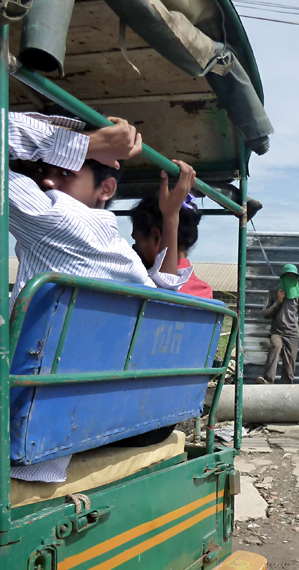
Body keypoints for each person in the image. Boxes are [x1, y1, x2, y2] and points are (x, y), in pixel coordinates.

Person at [8, 110, 196, 482]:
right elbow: (167, 294)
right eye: (44, 169)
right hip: (109, 422)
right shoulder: (120, 251)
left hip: (31, 429)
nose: (45, 178)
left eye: (66, 170)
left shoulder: (56, 217)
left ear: (105, 189)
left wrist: (88, 143)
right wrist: (170, 216)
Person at [130, 194, 213, 298]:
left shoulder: (141, 285)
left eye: (137, 241)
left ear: (155, 237)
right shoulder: (204, 291)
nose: (133, 249)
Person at [257, 263, 299, 385]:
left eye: (293, 276)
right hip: (276, 332)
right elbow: (265, 313)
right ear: (282, 277)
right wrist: (278, 302)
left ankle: (286, 386)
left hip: (292, 334)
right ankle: (268, 380)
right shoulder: (273, 292)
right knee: (276, 346)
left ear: (296, 278)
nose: (290, 278)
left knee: (289, 362)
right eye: (287, 276)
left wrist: (293, 326)